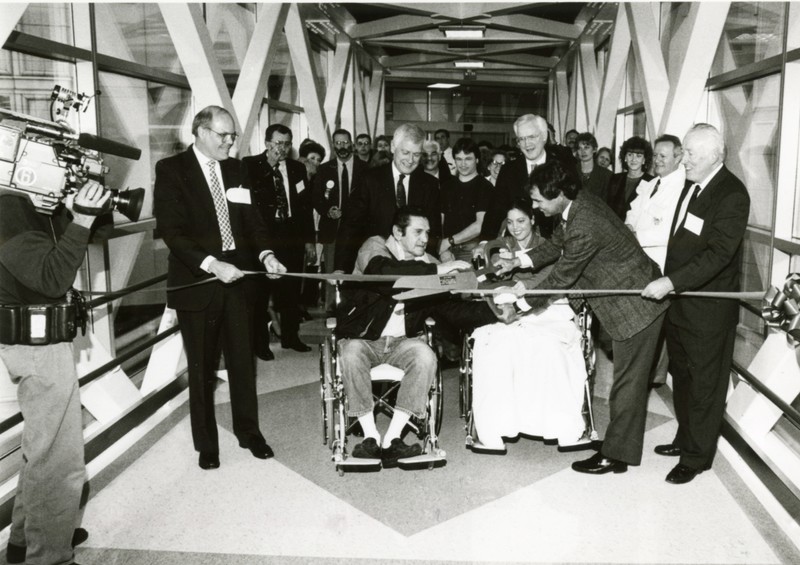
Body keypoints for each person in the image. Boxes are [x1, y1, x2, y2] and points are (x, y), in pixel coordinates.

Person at [495, 158, 668, 475]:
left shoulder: (584, 222)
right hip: (629, 299)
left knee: (627, 384)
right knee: (625, 382)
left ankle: (616, 456)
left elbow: (562, 277)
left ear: (559, 193)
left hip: (636, 307)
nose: (534, 207)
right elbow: (555, 246)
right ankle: (618, 445)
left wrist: (519, 305)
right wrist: (518, 261)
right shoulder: (576, 206)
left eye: (538, 200)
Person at [154, 106, 286, 470]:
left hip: (239, 282)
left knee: (243, 362)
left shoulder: (236, 168)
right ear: (199, 131)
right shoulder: (171, 170)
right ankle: (206, 445)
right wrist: (212, 264)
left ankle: (249, 432)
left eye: (233, 136)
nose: (230, 141)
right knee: (202, 368)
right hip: (198, 283)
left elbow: (252, 222)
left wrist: (266, 254)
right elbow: (172, 231)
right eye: (222, 135)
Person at [0, 180, 110, 565]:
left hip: (35, 344)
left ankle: (27, 539)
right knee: (60, 461)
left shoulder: (20, 203)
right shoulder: (7, 206)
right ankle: (49, 556)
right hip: (36, 348)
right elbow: (51, 278)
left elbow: (95, 235)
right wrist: (80, 217)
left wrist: (70, 210)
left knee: (41, 449)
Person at [337, 207, 495, 467]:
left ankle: (393, 438)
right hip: (363, 339)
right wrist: (439, 269)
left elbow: (451, 310)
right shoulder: (374, 247)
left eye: (428, 233)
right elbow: (384, 273)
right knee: (351, 354)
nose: (425, 239)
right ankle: (370, 437)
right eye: (418, 232)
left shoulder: (428, 263)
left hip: (403, 342)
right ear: (398, 233)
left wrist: (496, 309)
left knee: (426, 356)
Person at [642, 123, 750, 484]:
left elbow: (718, 254)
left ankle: (697, 457)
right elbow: (682, 241)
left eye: (689, 154)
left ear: (714, 156)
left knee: (706, 384)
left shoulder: (731, 194)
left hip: (707, 311)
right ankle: (685, 437)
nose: (683, 159)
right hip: (682, 305)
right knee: (684, 378)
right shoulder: (694, 185)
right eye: (684, 152)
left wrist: (671, 282)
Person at [469, 202, 589, 451]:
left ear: (533, 220)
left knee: (547, 349)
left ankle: (558, 425)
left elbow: (549, 279)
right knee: (496, 349)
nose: (515, 228)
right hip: (507, 310)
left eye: (521, 221)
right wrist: (487, 270)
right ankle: (495, 428)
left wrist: (515, 286)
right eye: (510, 222)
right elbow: (484, 281)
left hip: (545, 306)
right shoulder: (498, 246)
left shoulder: (549, 246)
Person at [242, 123, 315, 356]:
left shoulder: (297, 168)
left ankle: (291, 337)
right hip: (263, 238)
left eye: (286, 144)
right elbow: (249, 199)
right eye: (277, 143)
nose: (282, 149)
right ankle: (260, 344)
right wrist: (270, 165)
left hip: (291, 235)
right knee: (262, 293)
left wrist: (309, 240)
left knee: (291, 292)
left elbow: (304, 207)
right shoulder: (251, 165)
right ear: (266, 143)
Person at [626, 134, 690, 387]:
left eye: (663, 156)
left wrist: (636, 234)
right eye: (655, 156)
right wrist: (629, 226)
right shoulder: (652, 183)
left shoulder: (681, 187)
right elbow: (633, 210)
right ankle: (646, 371)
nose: (657, 161)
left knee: (656, 319)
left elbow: (669, 230)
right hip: (639, 259)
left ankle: (654, 375)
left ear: (678, 157)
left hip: (659, 262)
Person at [334, 123, 441, 273]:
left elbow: (433, 231)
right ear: (392, 147)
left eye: (416, 154)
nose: (410, 160)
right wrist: (340, 268)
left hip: (415, 265)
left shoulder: (430, 185)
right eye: (405, 152)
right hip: (377, 262)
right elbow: (350, 226)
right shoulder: (370, 180)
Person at [479, 113, 566, 241]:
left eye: (531, 137)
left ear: (544, 136)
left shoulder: (562, 166)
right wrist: (484, 241)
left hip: (554, 242)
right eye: (521, 139)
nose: (526, 144)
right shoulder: (508, 170)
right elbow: (496, 210)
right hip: (516, 242)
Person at [311, 128, 366, 313]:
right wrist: (327, 211)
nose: (342, 146)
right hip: (332, 229)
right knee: (332, 271)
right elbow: (316, 197)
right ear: (333, 145)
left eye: (345, 142)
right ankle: (332, 310)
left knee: (356, 269)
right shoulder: (325, 169)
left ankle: (355, 309)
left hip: (357, 230)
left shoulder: (365, 168)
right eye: (338, 143)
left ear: (351, 144)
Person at [439, 138, 492, 262]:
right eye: (459, 159)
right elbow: (440, 222)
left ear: (477, 160)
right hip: (446, 248)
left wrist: (449, 241)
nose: (463, 164)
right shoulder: (447, 186)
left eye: (468, 159)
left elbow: (479, 226)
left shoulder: (485, 187)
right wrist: (443, 249)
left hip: (472, 248)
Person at [606, 136, 653, 220]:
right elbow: (607, 208)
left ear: (644, 160)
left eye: (639, 156)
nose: (633, 159)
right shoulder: (615, 178)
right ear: (625, 158)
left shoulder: (651, 182)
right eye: (630, 154)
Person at [575, 132, 612, 200]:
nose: (583, 151)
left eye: (586, 147)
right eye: (579, 148)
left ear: (594, 149)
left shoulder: (606, 175)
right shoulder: (570, 171)